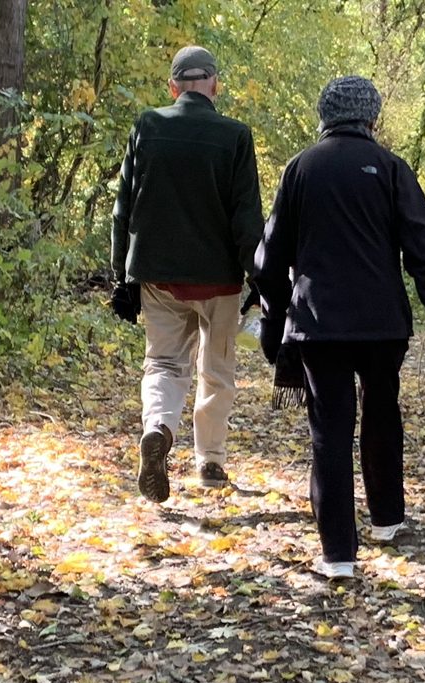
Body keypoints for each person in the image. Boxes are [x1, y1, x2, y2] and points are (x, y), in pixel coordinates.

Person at [254, 76, 425, 579]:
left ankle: (338, 555)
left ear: (324, 115)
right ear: (372, 117)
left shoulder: (300, 168)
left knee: (330, 429)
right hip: (382, 323)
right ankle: (387, 519)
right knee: (382, 412)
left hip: (318, 323)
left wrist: (274, 321)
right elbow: (421, 246)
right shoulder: (391, 168)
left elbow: (271, 255)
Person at [109, 45, 264, 503]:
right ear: (215, 84)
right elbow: (247, 218)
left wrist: (121, 276)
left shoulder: (147, 126)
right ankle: (210, 461)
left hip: (159, 277)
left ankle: (158, 427)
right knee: (216, 370)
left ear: (172, 87)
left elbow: (123, 207)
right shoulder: (236, 136)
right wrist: (260, 280)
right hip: (219, 280)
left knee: (163, 363)